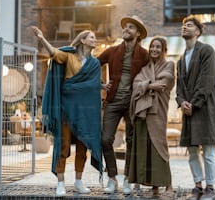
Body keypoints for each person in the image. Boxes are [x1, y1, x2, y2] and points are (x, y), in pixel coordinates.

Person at [31, 26, 104, 196]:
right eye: (91, 37)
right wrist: (42, 38)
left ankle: (78, 181)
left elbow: (91, 85)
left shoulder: (95, 63)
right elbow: (53, 53)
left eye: (95, 37)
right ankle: (61, 183)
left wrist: (99, 85)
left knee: (83, 145)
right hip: (66, 107)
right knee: (62, 145)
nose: (95, 39)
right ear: (82, 40)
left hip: (85, 110)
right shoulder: (69, 55)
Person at [97, 15, 149, 195]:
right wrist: (101, 84)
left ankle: (128, 178)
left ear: (138, 34)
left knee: (131, 141)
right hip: (113, 101)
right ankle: (112, 178)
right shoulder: (112, 51)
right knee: (105, 139)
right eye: (125, 27)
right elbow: (93, 64)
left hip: (133, 104)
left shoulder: (144, 54)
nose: (126, 29)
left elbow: (151, 74)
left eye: (131, 28)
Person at [175, 15, 215, 200]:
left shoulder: (207, 51)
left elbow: (206, 80)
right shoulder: (180, 59)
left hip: (204, 107)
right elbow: (179, 86)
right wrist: (181, 102)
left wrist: (193, 103)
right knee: (192, 150)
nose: (185, 27)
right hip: (188, 109)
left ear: (198, 31)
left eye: (189, 25)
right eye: (183, 25)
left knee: (208, 150)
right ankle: (197, 186)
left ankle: (210, 187)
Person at [128, 36, 175, 197]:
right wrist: (150, 85)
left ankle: (168, 185)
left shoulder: (169, 64)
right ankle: (154, 187)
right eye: (152, 47)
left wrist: (145, 85)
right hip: (143, 113)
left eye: (158, 47)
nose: (154, 49)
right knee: (146, 150)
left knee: (159, 146)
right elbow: (136, 85)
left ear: (163, 50)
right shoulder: (145, 68)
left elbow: (165, 82)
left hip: (157, 112)